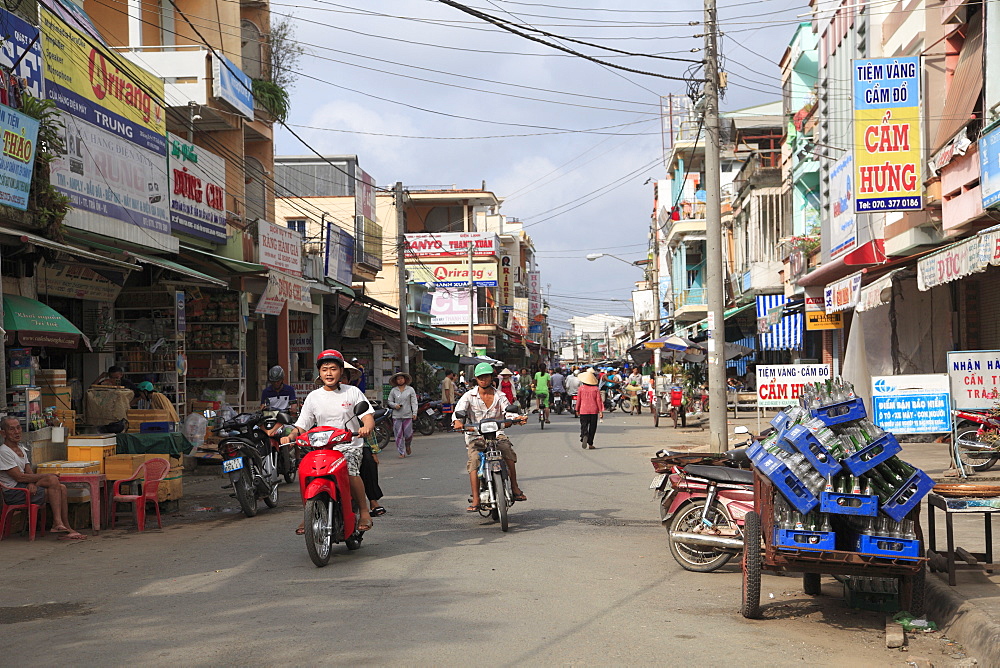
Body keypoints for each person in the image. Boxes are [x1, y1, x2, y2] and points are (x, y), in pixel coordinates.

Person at [281, 350, 376, 534]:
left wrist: (366, 427)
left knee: (350, 470)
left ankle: (364, 511)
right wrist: (291, 436)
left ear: (341, 371)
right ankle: (308, 513)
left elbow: (368, 416)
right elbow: (302, 425)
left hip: (349, 446)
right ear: (319, 372)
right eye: (325, 369)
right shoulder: (313, 397)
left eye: (333, 369)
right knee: (305, 471)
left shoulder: (353, 392)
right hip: (322, 447)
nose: (329, 373)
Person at [453, 363, 528, 512]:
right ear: (476, 378)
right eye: (480, 377)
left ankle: (514, 487)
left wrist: (517, 418)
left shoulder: (500, 396)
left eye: (486, 376)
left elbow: (508, 412)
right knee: (474, 460)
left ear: (491, 377)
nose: (483, 380)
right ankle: (475, 498)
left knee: (507, 451)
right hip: (476, 436)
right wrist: (457, 422)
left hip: (497, 435)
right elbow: (458, 411)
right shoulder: (469, 396)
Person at [0, 416, 85, 540]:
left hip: (24, 487)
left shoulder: (21, 449)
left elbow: (29, 471)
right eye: (12, 429)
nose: (17, 432)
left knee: (61, 487)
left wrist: (34, 483)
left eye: (18, 428)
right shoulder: (4, 452)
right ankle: (60, 525)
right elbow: (19, 477)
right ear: (3, 433)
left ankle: (64, 526)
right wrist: (45, 476)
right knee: (53, 481)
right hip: (14, 492)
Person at [387, 371, 417, 458]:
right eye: (398, 379)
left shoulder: (410, 389)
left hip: (407, 415)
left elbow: (414, 402)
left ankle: (408, 445)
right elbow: (389, 401)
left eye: (401, 378)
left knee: (408, 434)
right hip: (396, 416)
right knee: (398, 434)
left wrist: (414, 412)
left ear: (405, 379)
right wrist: (394, 405)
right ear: (396, 381)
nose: (400, 380)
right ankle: (401, 452)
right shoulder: (393, 390)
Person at [576, 370, 603, 449]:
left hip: (583, 410)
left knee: (584, 425)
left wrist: (577, 409)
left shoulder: (581, 388)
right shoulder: (596, 389)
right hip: (594, 410)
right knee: (592, 427)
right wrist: (600, 411)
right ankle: (590, 443)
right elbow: (598, 400)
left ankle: (584, 435)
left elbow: (579, 400)